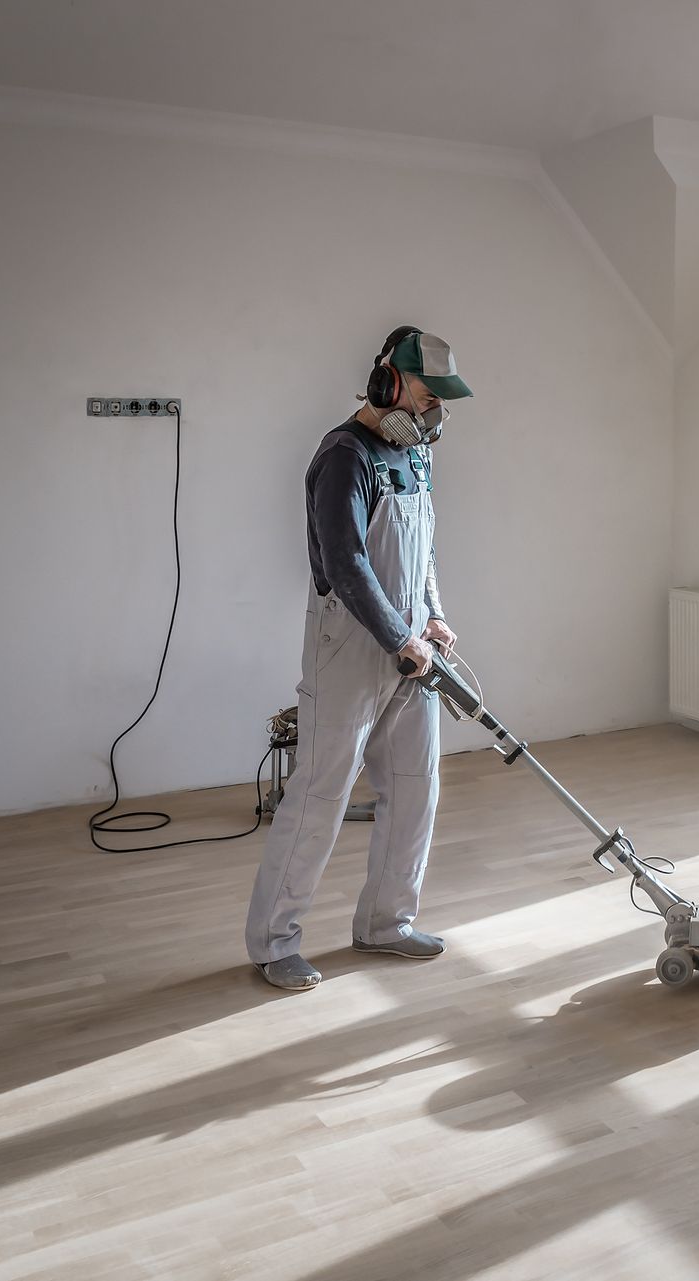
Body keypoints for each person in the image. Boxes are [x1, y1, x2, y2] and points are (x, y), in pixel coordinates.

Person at [244, 326, 472, 991]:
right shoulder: (344, 456)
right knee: (320, 793)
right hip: (350, 644)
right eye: (427, 397)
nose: (433, 413)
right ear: (387, 381)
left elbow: (423, 546)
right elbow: (346, 562)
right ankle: (275, 940)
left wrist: (432, 613)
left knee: (415, 787)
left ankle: (386, 922)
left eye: (439, 404)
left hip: (410, 648)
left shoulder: (418, 455)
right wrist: (397, 636)